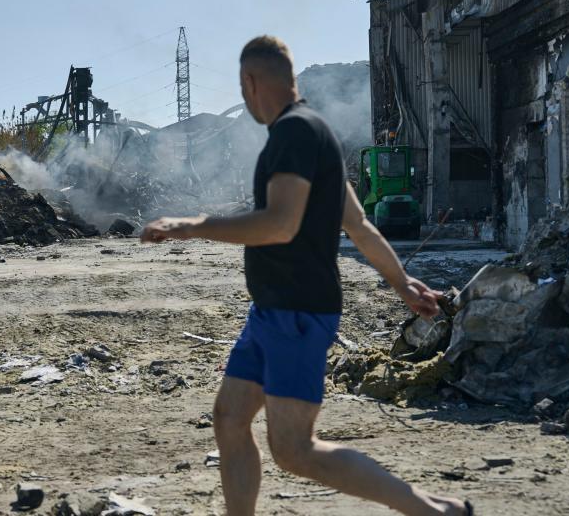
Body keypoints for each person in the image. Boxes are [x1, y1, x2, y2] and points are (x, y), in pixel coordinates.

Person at [141, 36, 472, 516]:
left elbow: (279, 224)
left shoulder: (295, 135)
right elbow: (357, 225)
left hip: (297, 312)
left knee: (294, 448)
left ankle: (431, 512)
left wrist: (192, 226)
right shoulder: (317, 133)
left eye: (241, 86)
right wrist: (402, 282)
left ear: (250, 83)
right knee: (230, 418)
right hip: (270, 311)